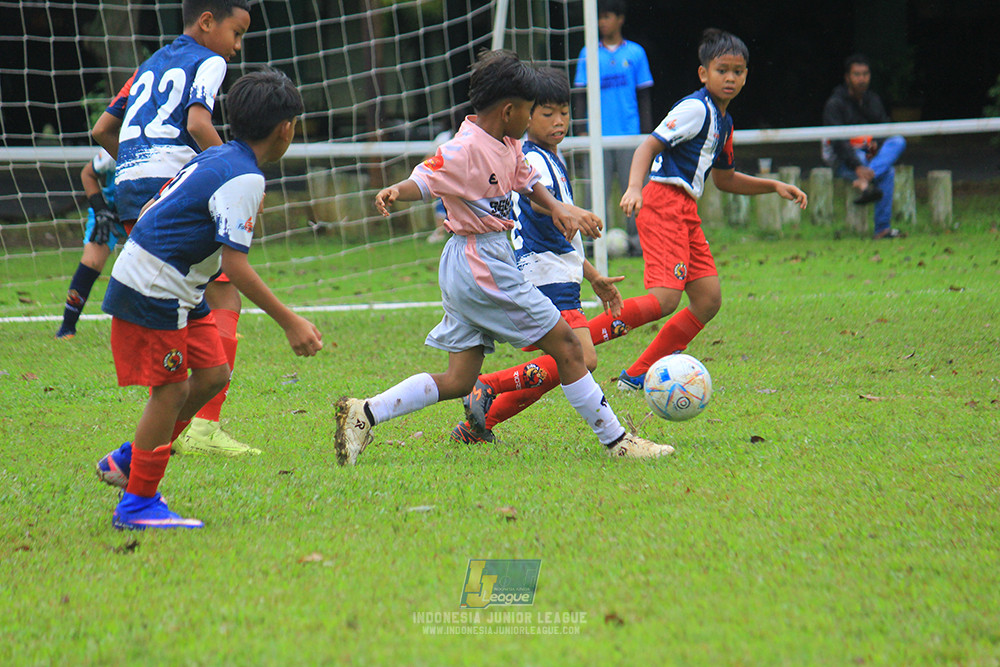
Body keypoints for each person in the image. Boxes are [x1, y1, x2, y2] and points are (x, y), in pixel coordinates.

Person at [334, 50, 674, 464]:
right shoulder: (464, 149)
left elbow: (528, 183)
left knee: (460, 379)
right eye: (531, 110)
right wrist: (395, 191)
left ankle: (364, 413)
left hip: (472, 263)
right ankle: (618, 441)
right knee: (569, 346)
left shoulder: (509, 143)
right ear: (510, 110)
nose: (532, 119)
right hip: (480, 263)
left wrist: (559, 207)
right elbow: (425, 176)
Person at [95, 69, 323, 530]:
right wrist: (290, 321)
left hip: (179, 285)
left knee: (213, 373)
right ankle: (138, 503)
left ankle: (128, 460)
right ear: (286, 129)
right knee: (173, 389)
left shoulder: (219, 157)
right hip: (155, 286)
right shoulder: (244, 179)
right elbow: (236, 268)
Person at [91, 0, 259, 456]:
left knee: (182, 289)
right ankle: (201, 425)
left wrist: (134, 161)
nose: (237, 47)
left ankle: (174, 410)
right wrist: (233, 171)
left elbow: (103, 128)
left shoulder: (151, 63)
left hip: (132, 188)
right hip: (173, 186)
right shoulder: (208, 60)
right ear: (207, 22)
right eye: (237, 33)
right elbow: (198, 122)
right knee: (224, 289)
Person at [613, 29, 808, 392]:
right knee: (665, 298)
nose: (730, 77)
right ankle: (582, 337)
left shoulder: (724, 122)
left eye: (738, 71)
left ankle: (638, 373)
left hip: (685, 208)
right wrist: (634, 187)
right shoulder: (695, 109)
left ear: (746, 75)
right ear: (704, 73)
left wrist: (774, 185)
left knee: (707, 299)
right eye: (722, 70)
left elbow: (726, 179)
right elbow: (647, 147)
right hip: (662, 201)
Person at [450, 67, 626, 443]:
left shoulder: (549, 155)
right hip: (545, 273)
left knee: (566, 361)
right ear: (525, 115)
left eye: (564, 112)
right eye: (547, 113)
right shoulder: (533, 159)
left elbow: (561, 235)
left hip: (559, 270)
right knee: (582, 358)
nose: (559, 121)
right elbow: (538, 206)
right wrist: (568, 209)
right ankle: (488, 384)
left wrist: (592, 275)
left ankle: (478, 425)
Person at [572, 0, 653, 255]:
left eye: (607, 17)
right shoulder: (588, 53)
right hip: (598, 136)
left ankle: (640, 243)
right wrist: (582, 129)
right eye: (599, 17)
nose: (601, 23)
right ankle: (590, 245)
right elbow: (580, 94)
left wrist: (647, 136)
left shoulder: (636, 53)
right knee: (595, 191)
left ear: (620, 19)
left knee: (636, 189)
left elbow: (644, 96)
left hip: (630, 135)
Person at [822, 53, 907, 240]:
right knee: (888, 172)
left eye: (865, 74)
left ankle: (866, 182)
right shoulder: (835, 104)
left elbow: (884, 130)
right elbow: (838, 144)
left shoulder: (873, 100)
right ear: (847, 77)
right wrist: (857, 166)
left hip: (870, 156)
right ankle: (883, 228)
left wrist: (878, 146)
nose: (862, 79)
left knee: (898, 140)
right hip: (845, 159)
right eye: (857, 74)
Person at [55, 149, 127, 340]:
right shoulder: (119, 144)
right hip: (109, 212)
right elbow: (87, 173)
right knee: (92, 262)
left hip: (147, 212)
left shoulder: (171, 144)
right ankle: (67, 327)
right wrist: (101, 210)